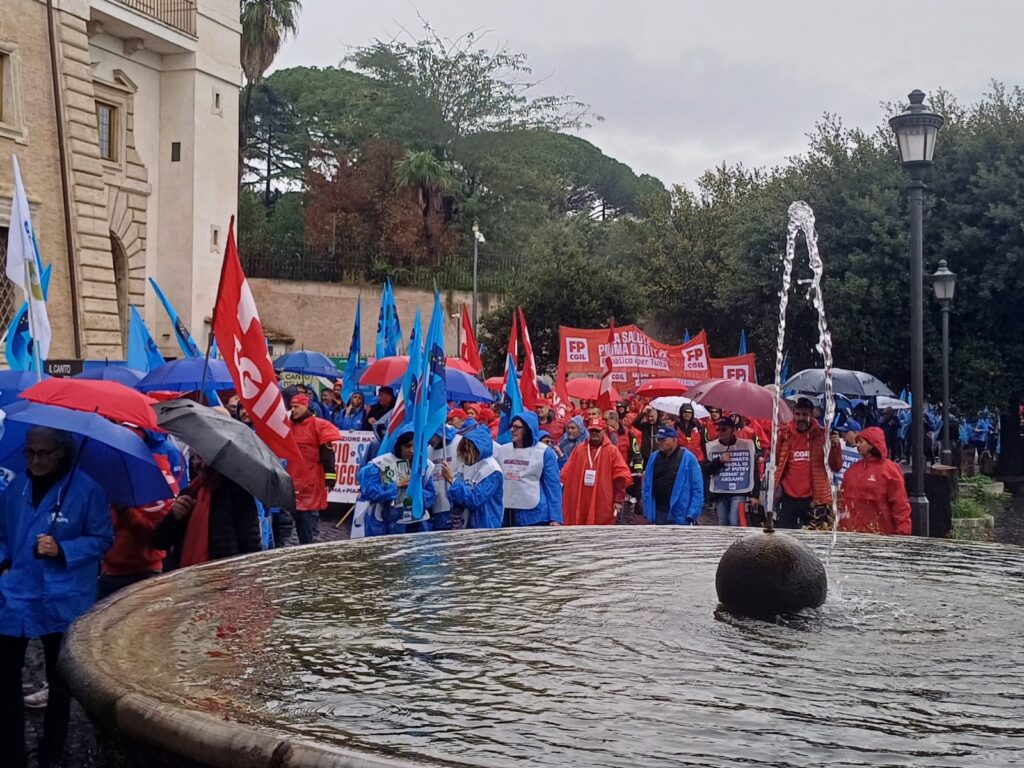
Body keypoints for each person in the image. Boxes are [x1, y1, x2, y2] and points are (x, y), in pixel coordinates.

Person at [0, 427, 113, 768]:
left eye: (42, 453)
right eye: (29, 452)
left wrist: (63, 547)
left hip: (61, 598)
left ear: (62, 452)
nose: (34, 459)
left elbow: (102, 538)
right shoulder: (16, 487)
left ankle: (52, 752)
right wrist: (4, 563)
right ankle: (11, 754)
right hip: (15, 594)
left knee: (59, 683)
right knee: (5, 679)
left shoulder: (87, 491)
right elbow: (3, 535)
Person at [153, 453, 264, 569]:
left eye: (208, 459)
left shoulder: (237, 493)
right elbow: (160, 542)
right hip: (186, 579)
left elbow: (251, 545)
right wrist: (174, 517)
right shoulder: (190, 493)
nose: (203, 464)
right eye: (198, 457)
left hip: (225, 578)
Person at [98, 452, 179, 599]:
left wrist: (126, 512)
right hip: (109, 571)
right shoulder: (108, 471)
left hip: (145, 572)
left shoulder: (158, 475)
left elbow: (157, 536)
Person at [773, 397, 843, 529]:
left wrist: (835, 447)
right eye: (798, 414)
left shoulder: (823, 435)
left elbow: (836, 466)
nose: (801, 418)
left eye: (805, 414)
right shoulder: (784, 434)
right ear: (793, 413)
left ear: (812, 415)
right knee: (784, 538)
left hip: (815, 498)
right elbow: (777, 461)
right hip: (789, 497)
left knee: (815, 538)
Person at [357, 426, 436, 536]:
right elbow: (370, 492)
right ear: (399, 445)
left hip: (415, 524)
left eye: (415, 446)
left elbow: (431, 497)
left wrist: (415, 490)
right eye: (407, 446)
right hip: (384, 523)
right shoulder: (379, 464)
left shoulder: (425, 466)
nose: (411, 451)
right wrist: (396, 486)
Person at [286, 394, 341, 544]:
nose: (293, 410)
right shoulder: (287, 425)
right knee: (290, 519)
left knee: (305, 518)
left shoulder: (319, 426)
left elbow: (327, 454)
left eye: (296, 407)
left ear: (305, 406)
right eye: (291, 406)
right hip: (291, 478)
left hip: (310, 479)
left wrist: (330, 477)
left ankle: (307, 546)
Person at [493, 412, 563, 527]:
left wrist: (555, 518)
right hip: (508, 513)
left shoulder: (545, 452)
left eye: (517, 427)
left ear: (527, 429)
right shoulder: (502, 450)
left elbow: (553, 486)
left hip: (535, 515)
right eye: (512, 426)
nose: (512, 430)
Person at [839, 427, 912, 535]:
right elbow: (843, 500)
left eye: (861, 442)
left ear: (873, 444)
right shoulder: (852, 470)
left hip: (882, 533)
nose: (857, 445)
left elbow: (900, 503)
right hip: (853, 533)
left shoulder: (889, 470)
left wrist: (903, 530)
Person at [561, 418, 633, 526]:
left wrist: (618, 500)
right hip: (581, 497)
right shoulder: (580, 449)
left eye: (597, 431)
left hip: (603, 498)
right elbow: (566, 472)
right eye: (592, 431)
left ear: (604, 431)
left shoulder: (612, 451)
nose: (594, 434)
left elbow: (621, 476)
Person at [443, 425, 504, 529]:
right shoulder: (465, 465)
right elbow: (456, 495)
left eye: (467, 450)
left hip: (485, 527)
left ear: (478, 449)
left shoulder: (492, 471)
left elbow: (475, 500)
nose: (463, 455)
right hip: (464, 526)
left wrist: (452, 480)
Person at [641, 427, 703, 525]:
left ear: (674, 440)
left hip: (681, 513)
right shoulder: (653, 457)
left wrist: (693, 513)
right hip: (658, 511)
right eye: (658, 439)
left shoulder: (688, 458)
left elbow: (697, 488)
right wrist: (647, 509)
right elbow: (647, 485)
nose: (659, 442)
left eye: (663, 440)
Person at [704, 418, 760, 526]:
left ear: (733, 430)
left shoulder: (746, 445)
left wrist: (755, 495)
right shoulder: (711, 447)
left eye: (724, 429)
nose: (720, 432)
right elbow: (705, 470)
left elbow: (753, 470)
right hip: (720, 493)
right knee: (723, 522)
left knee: (734, 521)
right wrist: (719, 461)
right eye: (718, 429)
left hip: (739, 491)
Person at [429, 428, 462, 531]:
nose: (428, 440)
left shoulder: (459, 443)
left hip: (455, 507)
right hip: (436, 506)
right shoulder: (428, 450)